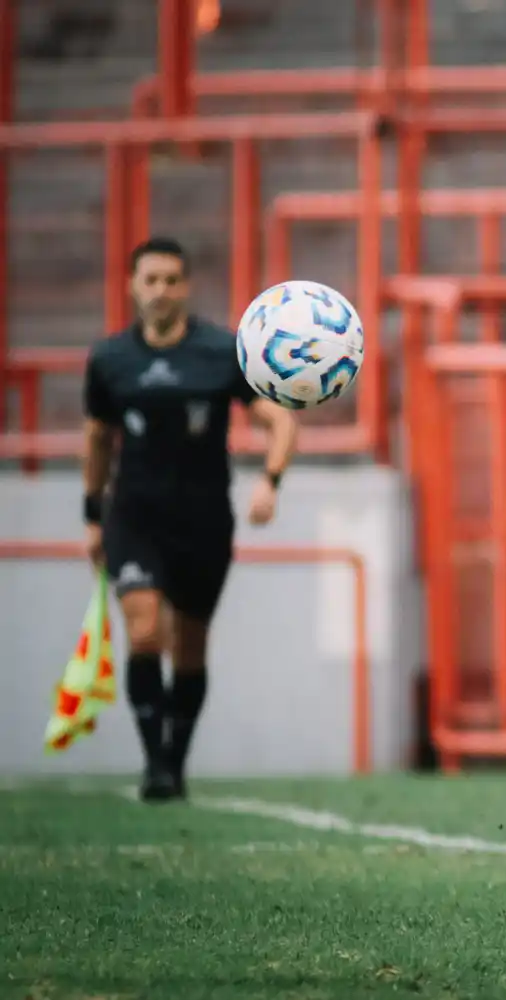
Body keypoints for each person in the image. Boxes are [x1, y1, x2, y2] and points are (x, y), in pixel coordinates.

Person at [83, 236, 298, 802]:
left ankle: (175, 763)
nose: (161, 291)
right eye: (150, 280)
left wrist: (270, 481)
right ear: (132, 285)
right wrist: (91, 513)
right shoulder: (109, 361)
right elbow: (97, 438)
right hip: (134, 517)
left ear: (186, 287)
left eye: (171, 280)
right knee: (145, 629)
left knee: (191, 648)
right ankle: (154, 763)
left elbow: (281, 422)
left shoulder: (220, 353)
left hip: (203, 521)